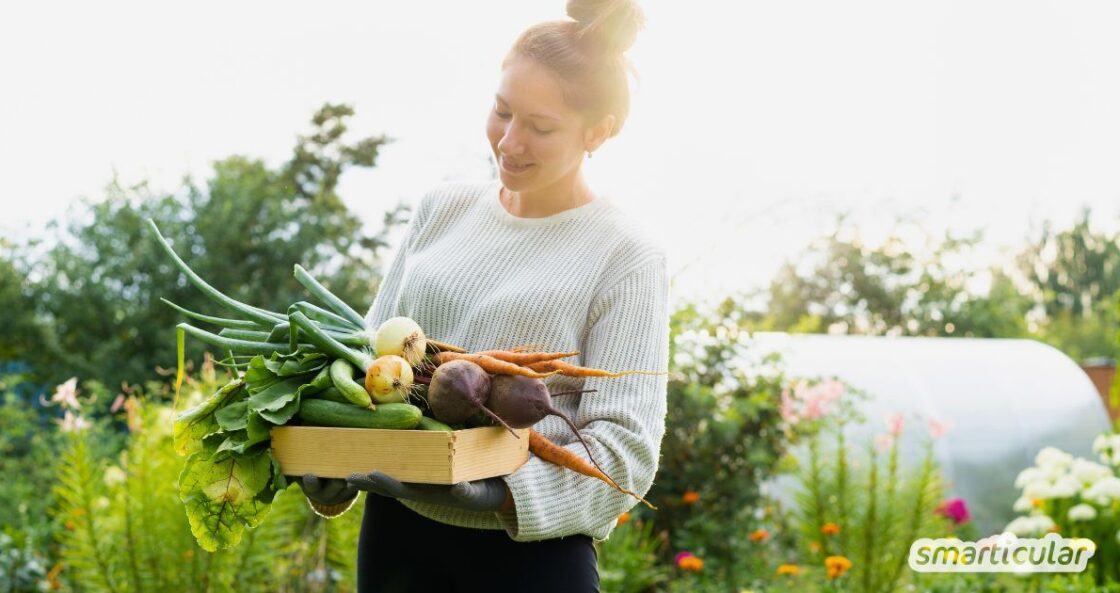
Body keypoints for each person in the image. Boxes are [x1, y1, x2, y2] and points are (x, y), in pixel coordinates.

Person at [295, 0, 668, 590]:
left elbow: (624, 450)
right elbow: (366, 361)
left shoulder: (625, 254)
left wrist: (493, 494)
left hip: (527, 563)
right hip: (395, 540)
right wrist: (331, 462)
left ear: (598, 130)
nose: (509, 142)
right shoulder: (441, 210)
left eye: (540, 127)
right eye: (501, 111)